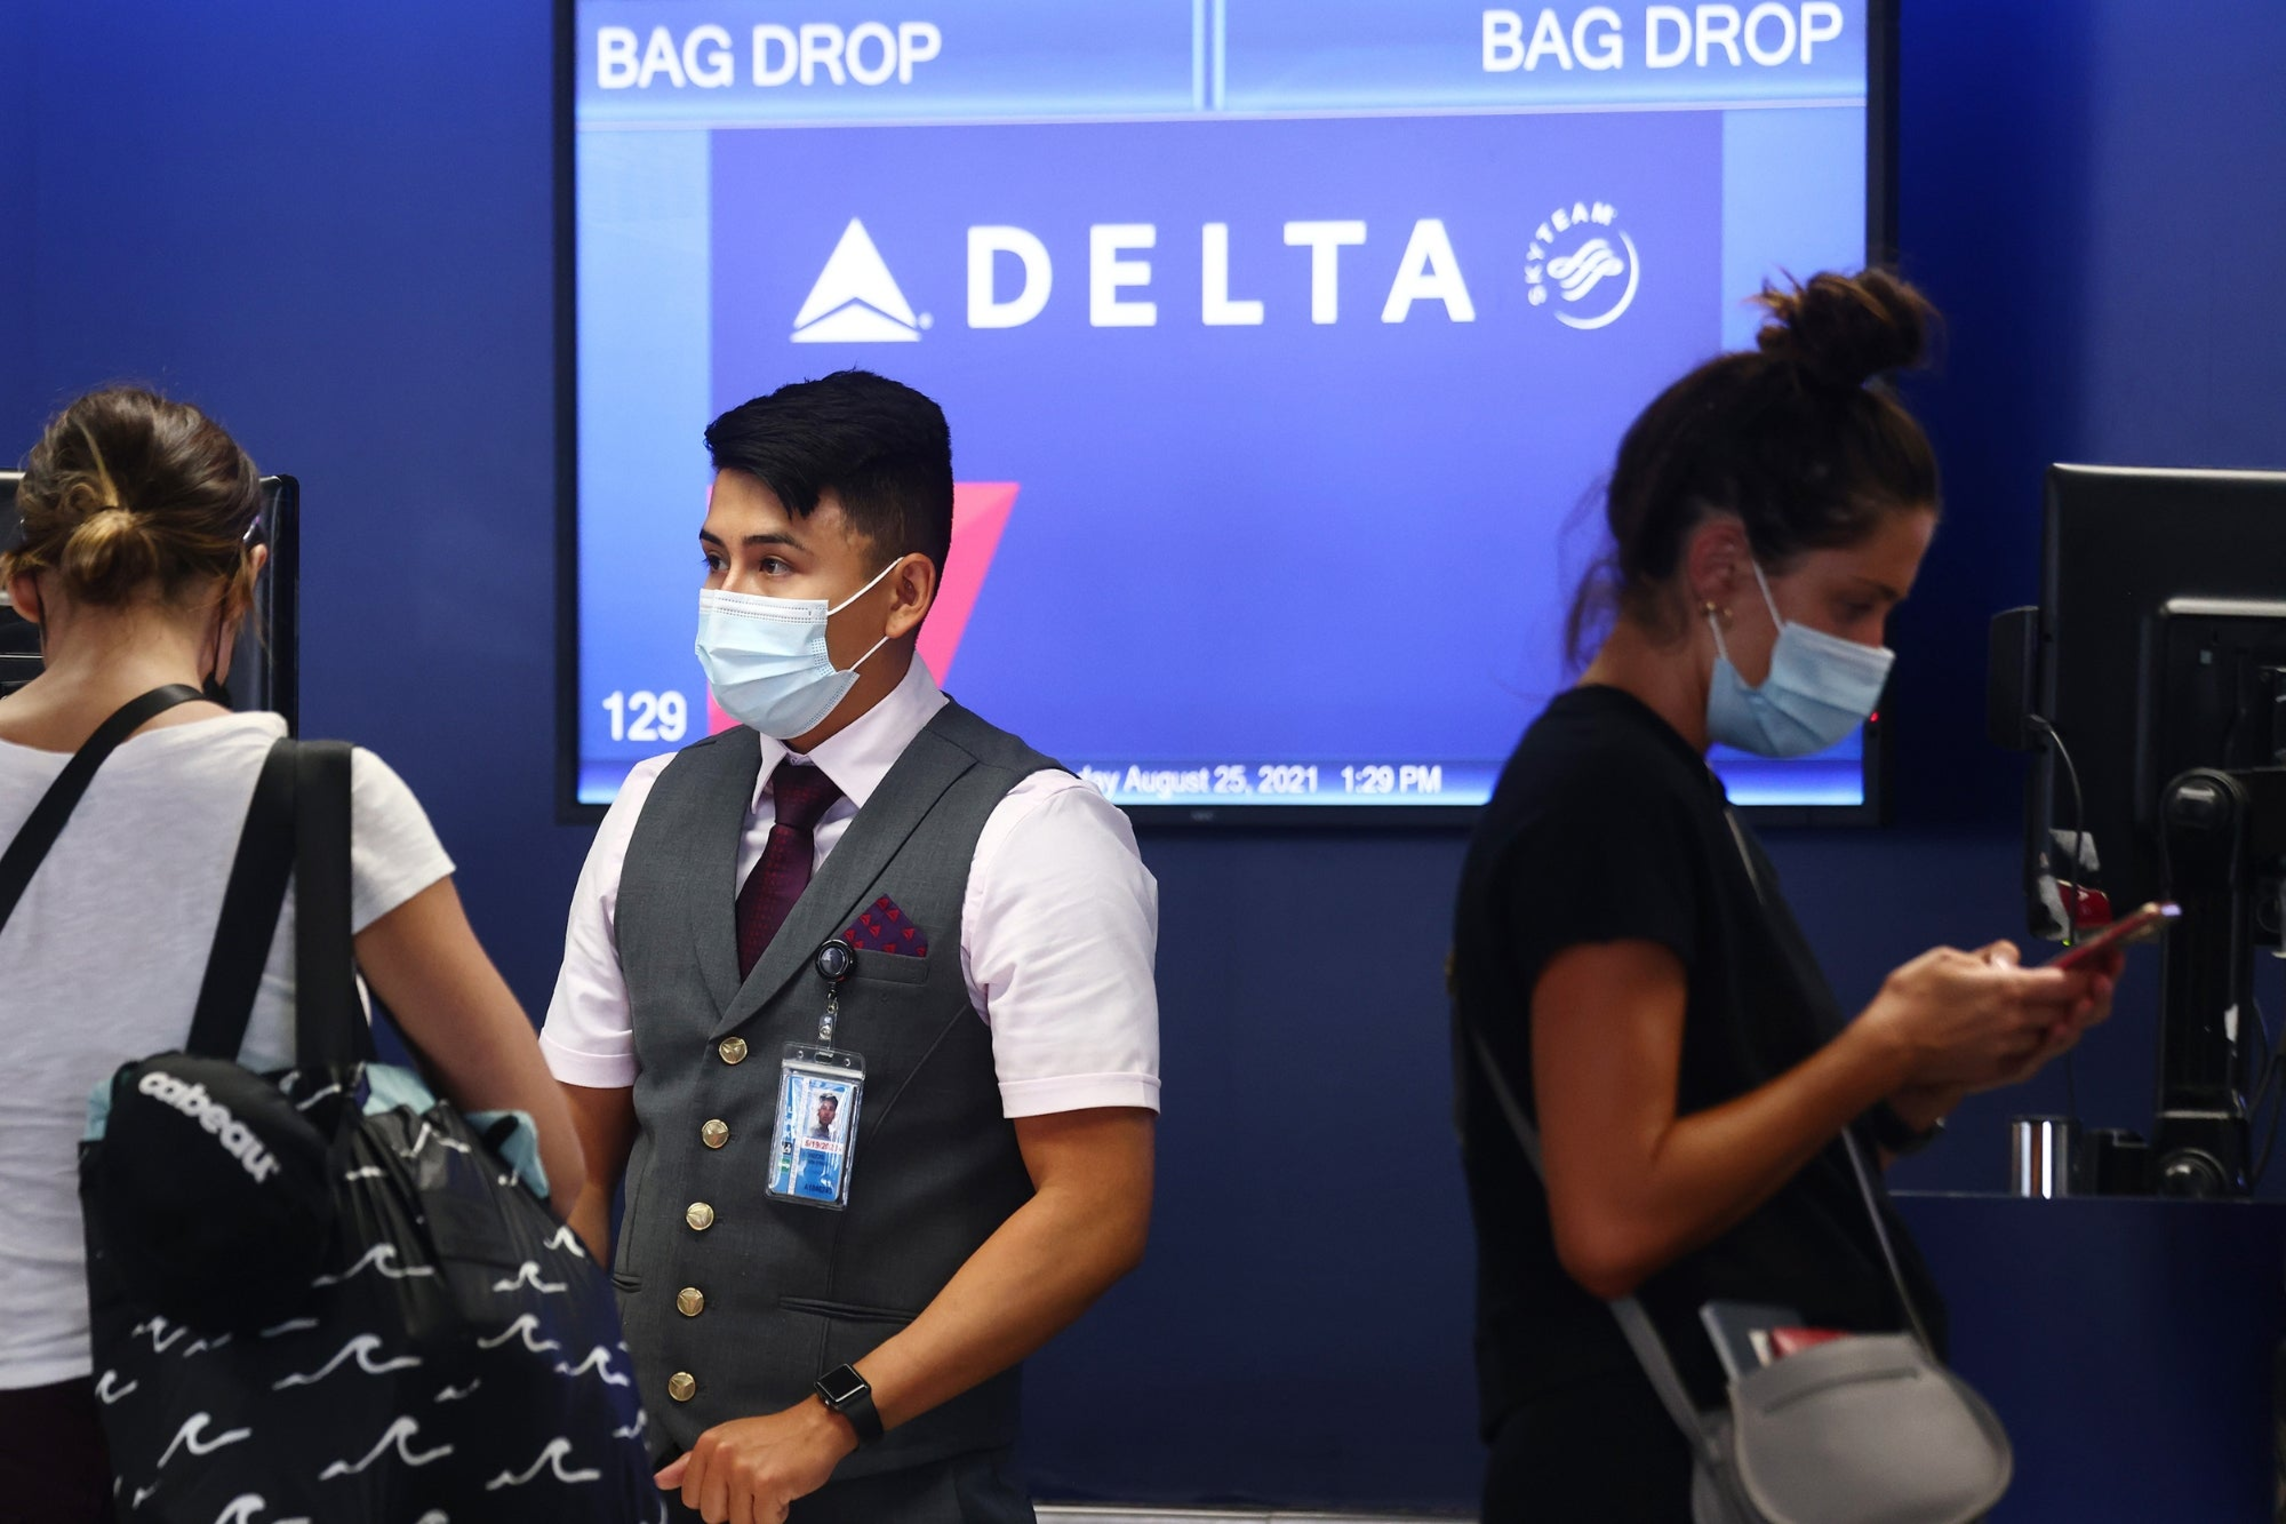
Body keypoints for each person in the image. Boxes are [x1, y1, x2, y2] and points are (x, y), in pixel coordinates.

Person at [1448, 272, 2123, 1521]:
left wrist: (1926, 1078)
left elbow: (1734, 1156)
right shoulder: (1602, 798)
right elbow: (1614, 1217)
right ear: (1719, 566)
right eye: (1854, 605)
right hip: (1649, 1468)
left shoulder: (1667, 792)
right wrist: (1880, 1047)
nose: (1874, 655)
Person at [543, 369, 1160, 1524]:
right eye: (715, 561)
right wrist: (570, 1387)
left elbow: (1095, 1209)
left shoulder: (1037, 832)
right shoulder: (650, 805)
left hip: (901, 1492)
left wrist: (834, 1418)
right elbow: (573, 1158)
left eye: (774, 565)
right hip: (642, 1483)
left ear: (903, 592)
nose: (729, 600)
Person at [0, 386, 586, 1521]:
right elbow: (554, 1168)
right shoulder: (326, 803)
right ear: (246, 578)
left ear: (25, 585)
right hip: (236, 1427)